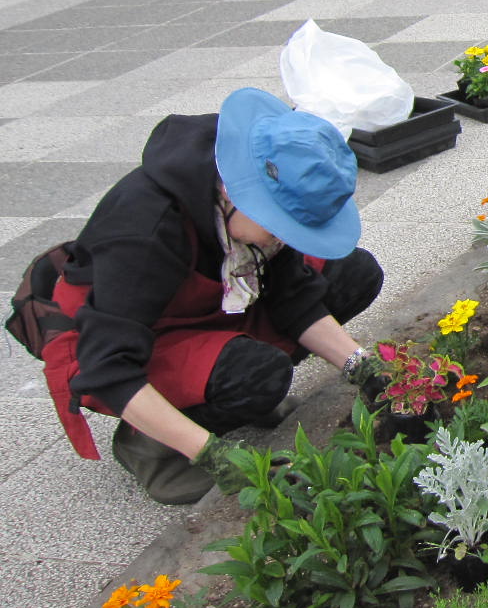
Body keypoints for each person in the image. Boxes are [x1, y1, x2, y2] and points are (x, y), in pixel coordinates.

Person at [38, 88, 388, 505]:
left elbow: (292, 294)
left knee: (353, 274)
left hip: (212, 304)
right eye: (281, 226)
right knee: (258, 374)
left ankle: (239, 389)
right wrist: (214, 455)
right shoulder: (145, 231)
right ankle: (150, 445)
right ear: (242, 193)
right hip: (128, 338)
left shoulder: (245, 198)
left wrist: (364, 367)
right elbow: (108, 368)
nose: (286, 238)